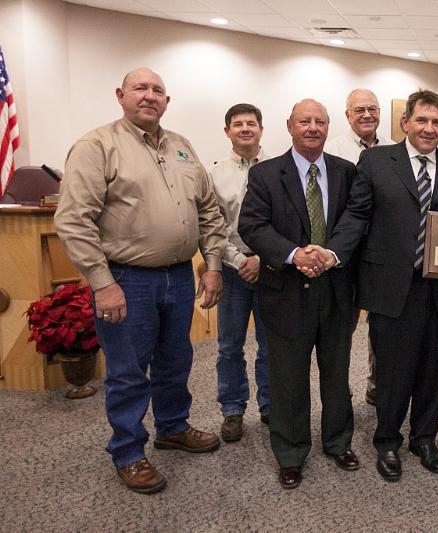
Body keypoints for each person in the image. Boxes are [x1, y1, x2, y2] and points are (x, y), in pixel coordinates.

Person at [54, 68, 226, 494]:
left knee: (176, 360)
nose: (149, 96)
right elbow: (74, 220)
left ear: (166, 101)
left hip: (179, 276)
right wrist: (101, 281)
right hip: (126, 279)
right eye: (140, 88)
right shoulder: (97, 146)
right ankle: (129, 452)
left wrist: (215, 264)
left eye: (158, 90)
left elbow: (207, 209)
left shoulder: (182, 146)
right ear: (121, 95)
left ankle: (172, 427)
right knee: (129, 372)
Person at [326, 90, 438, 481]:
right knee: (392, 369)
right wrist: (334, 254)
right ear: (405, 123)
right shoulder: (376, 161)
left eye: (436, 122)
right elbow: (358, 214)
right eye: (421, 121)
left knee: (433, 367)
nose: (428, 129)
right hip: (391, 286)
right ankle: (387, 440)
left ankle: (424, 437)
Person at [238, 99, 358, 490]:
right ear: (289, 125)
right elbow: (252, 226)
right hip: (286, 291)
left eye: (319, 122)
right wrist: (294, 253)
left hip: (336, 291)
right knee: (288, 378)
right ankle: (290, 454)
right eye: (304, 121)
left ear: (328, 127)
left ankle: (338, 442)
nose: (312, 128)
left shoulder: (347, 172)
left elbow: (358, 221)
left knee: (337, 375)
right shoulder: (266, 174)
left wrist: (329, 254)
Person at [209, 103, 270, 442]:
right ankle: (232, 409)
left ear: (262, 129)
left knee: (270, 344)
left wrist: (262, 258)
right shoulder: (215, 174)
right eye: (237, 124)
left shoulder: (279, 169)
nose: (245, 128)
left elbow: (287, 222)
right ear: (227, 131)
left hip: (270, 269)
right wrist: (238, 260)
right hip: (234, 271)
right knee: (229, 346)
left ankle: (270, 405)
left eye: (251, 123)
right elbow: (213, 225)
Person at [326, 88, 389, 407]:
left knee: (382, 328)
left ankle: (378, 384)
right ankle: (339, 389)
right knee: (342, 329)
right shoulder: (333, 151)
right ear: (347, 115)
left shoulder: (393, 151)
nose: (367, 115)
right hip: (346, 258)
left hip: (381, 257)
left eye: (372, 109)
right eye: (359, 109)